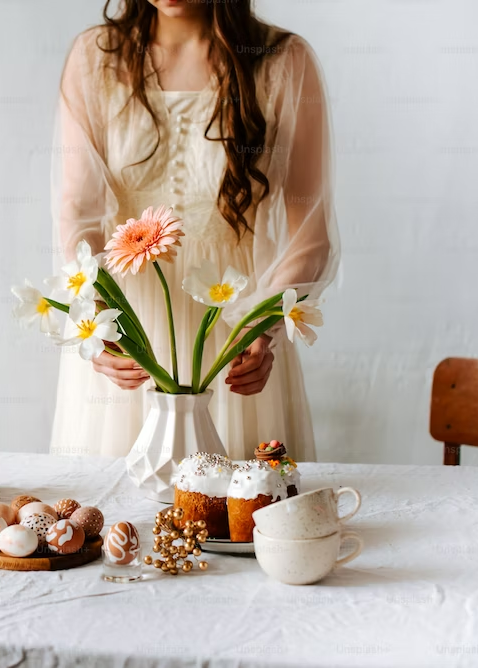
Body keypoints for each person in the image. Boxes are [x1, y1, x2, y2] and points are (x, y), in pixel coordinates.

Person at [49, 0, 340, 460]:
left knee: (240, 515)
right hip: (127, 334)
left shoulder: (283, 61)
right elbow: (77, 215)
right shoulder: (96, 58)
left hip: (234, 333)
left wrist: (262, 329)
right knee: (112, 521)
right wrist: (96, 321)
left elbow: (311, 231)